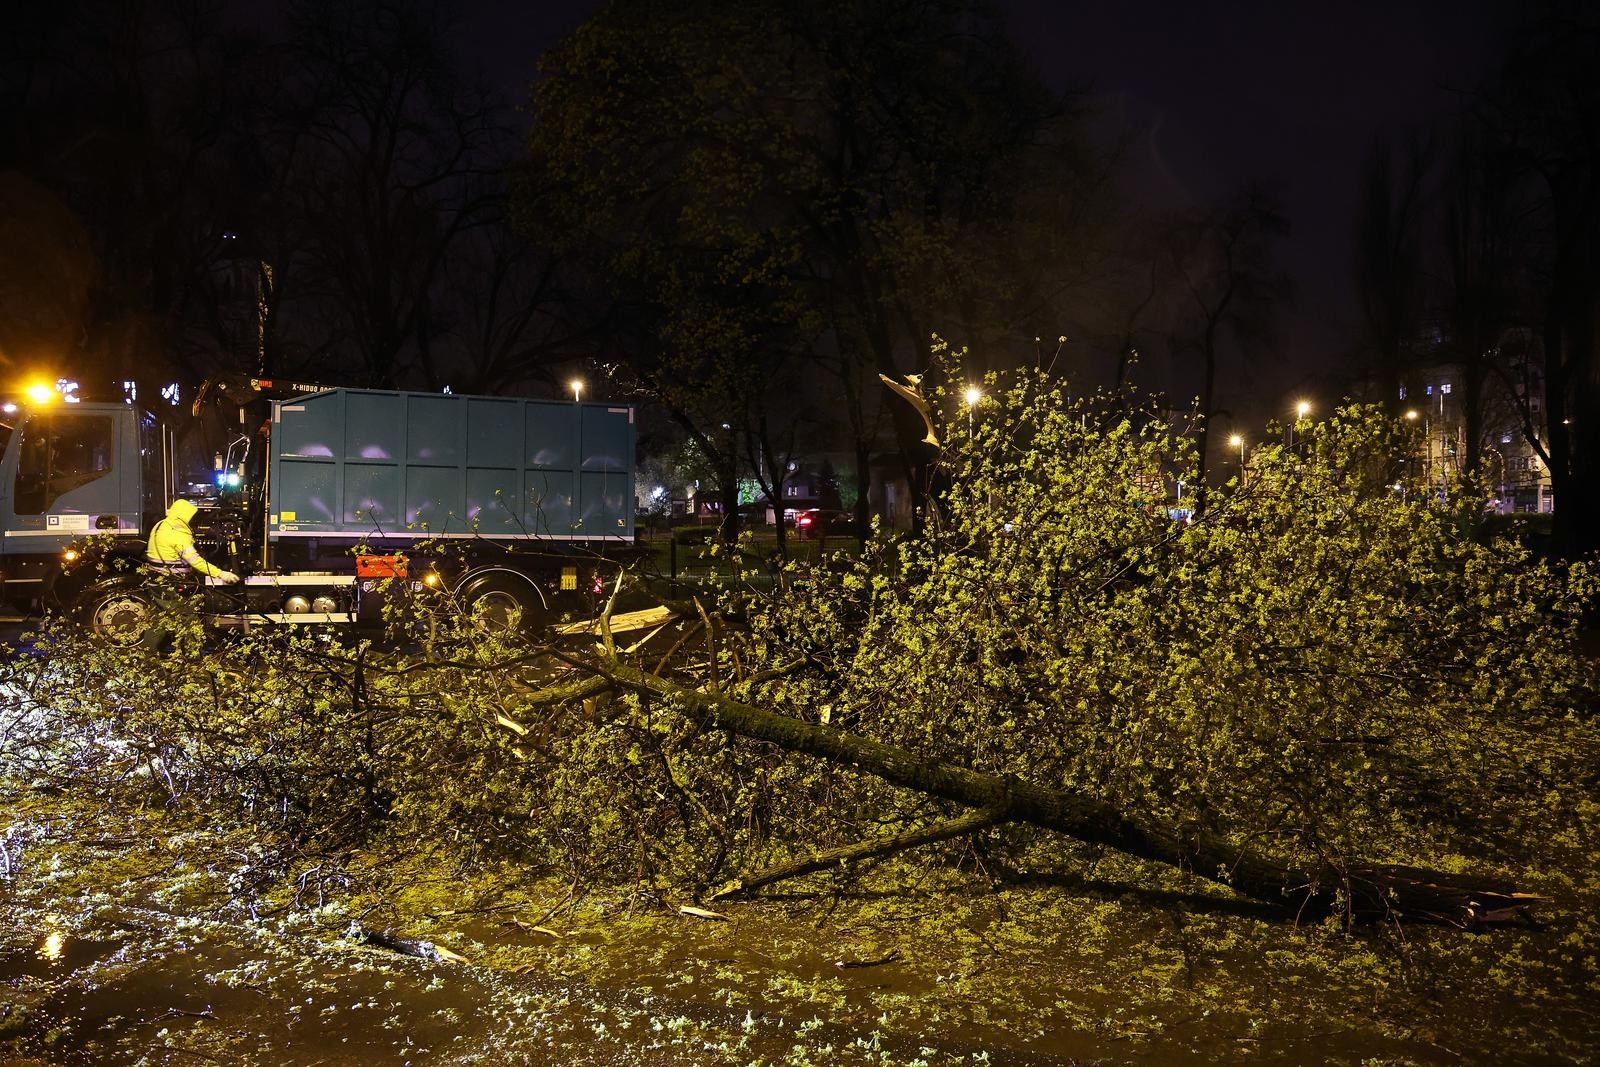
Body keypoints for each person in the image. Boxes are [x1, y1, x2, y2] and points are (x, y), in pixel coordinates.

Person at [145, 499, 241, 583]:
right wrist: (221, 574)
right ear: (183, 516)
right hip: (172, 580)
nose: (192, 520)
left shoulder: (161, 524)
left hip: (155, 577)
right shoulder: (178, 534)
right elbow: (195, 561)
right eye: (191, 517)